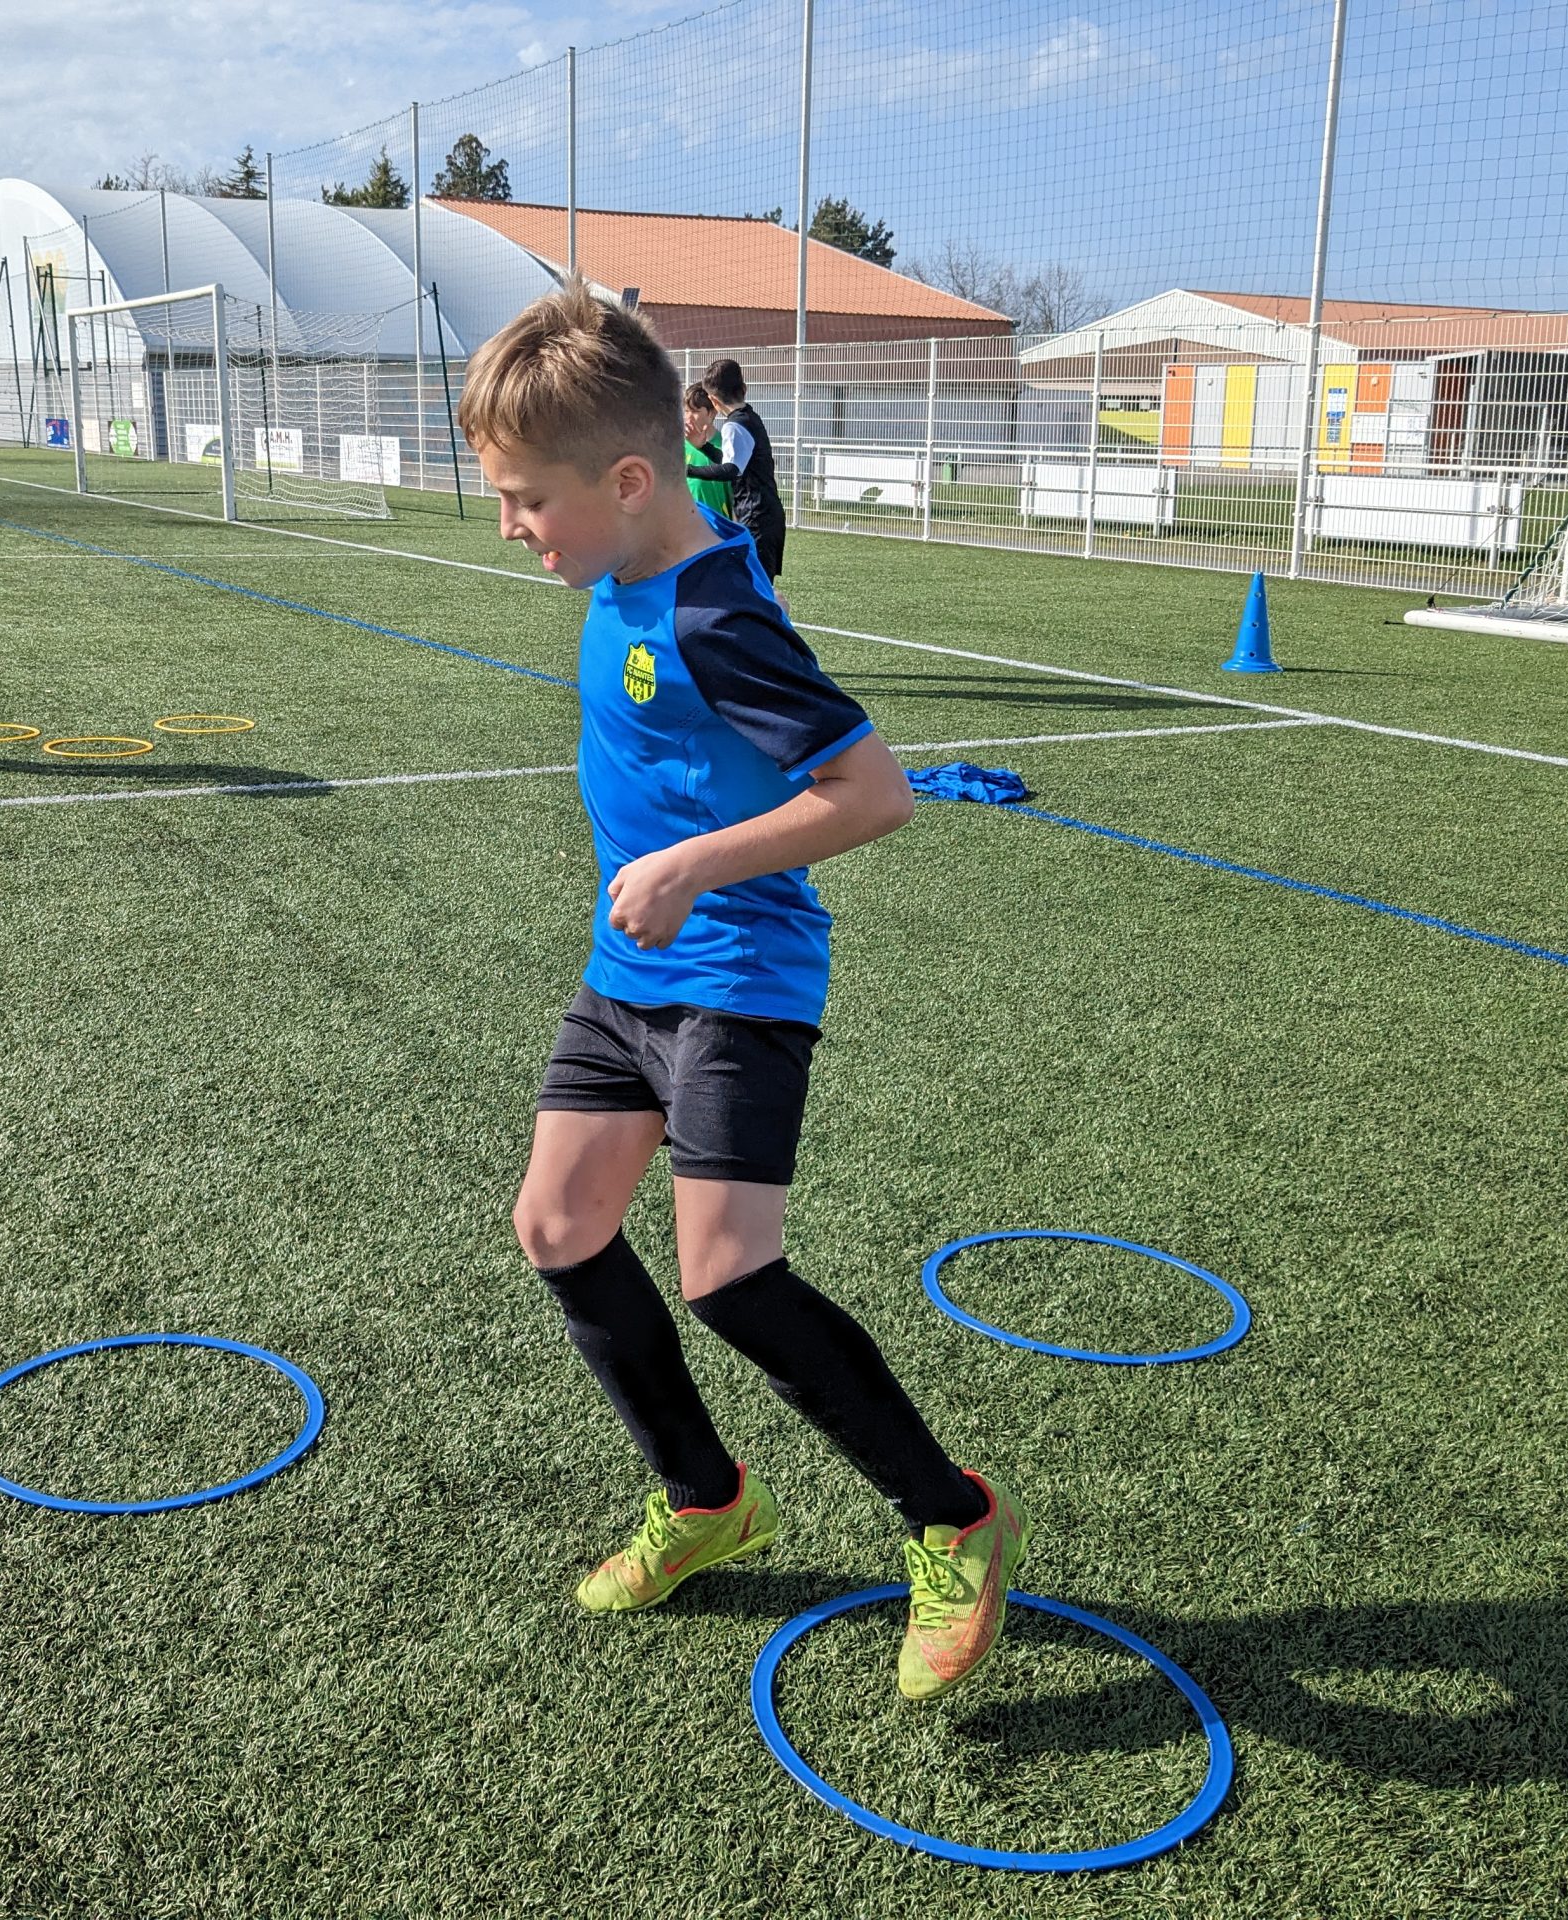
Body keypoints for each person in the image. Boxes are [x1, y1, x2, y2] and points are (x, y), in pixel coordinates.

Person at [456, 283, 1029, 1703]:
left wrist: (698, 864)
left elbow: (873, 793)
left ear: (630, 481)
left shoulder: (715, 612)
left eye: (528, 500)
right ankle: (705, 1497)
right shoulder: (627, 564)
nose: (512, 525)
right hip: (629, 975)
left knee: (726, 1275)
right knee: (556, 1222)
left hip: (738, 976)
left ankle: (951, 1518)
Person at [691, 357, 787, 587]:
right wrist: (704, 447)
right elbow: (735, 462)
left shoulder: (734, 426)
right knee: (756, 585)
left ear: (713, 401)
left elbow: (731, 470)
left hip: (757, 517)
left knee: (756, 588)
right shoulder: (750, 417)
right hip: (766, 515)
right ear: (744, 389)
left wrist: (687, 470)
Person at [682, 383, 732, 519]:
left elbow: (736, 498)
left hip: (717, 530)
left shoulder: (725, 447)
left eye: (695, 411)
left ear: (711, 413)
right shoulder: (678, 446)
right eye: (686, 411)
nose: (688, 417)